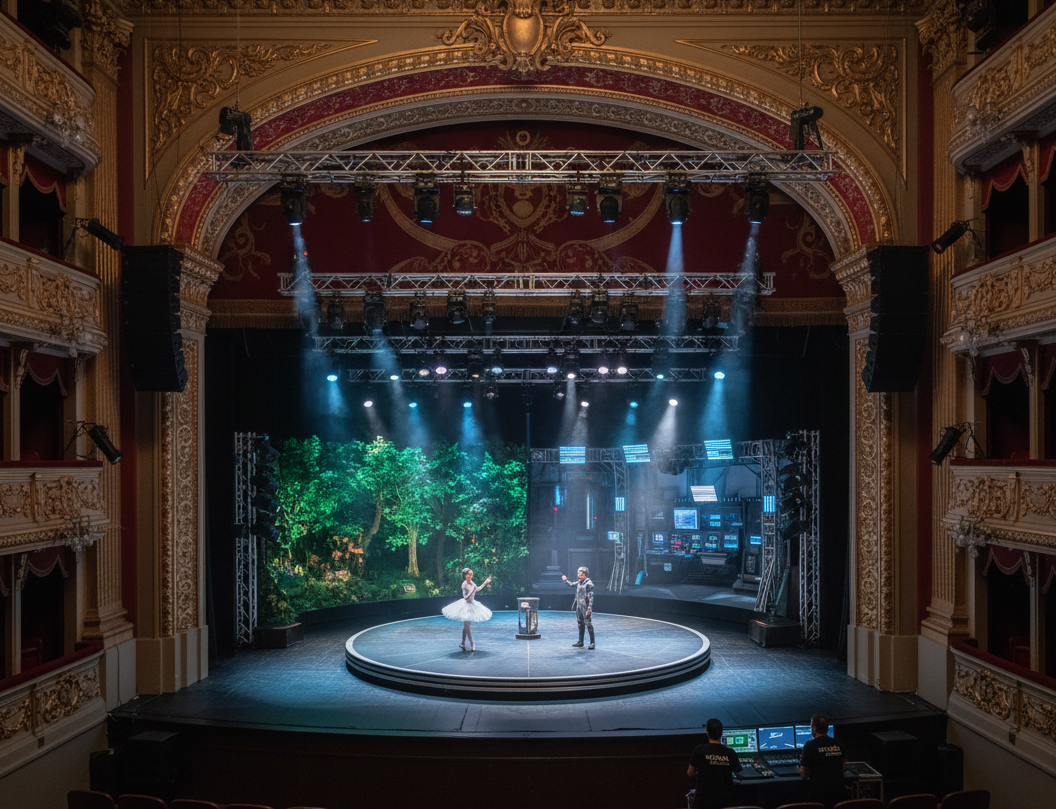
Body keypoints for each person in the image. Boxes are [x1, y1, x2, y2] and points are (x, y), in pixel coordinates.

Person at [687, 718, 742, 809]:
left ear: (707, 733)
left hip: (703, 801)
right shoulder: (730, 752)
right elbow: (738, 773)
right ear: (721, 733)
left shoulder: (699, 750)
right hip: (725, 801)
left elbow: (690, 773)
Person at [798, 713, 846, 809]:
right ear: (827, 728)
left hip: (818, 796)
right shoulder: (838, 743)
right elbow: (844, 766)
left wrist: (798, 769)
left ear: (814, 728)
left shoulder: (810, 745)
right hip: (838, 796)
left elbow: (804, 776)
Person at [441, 568, 492, 651]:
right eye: (468, 574)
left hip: (472, 605)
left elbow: (476, 589)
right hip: (466, 606)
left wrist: (485, 582)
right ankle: (472, 644)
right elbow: (465, 597)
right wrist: (472, 590)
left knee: (466, 626)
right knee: (467, 625)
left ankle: (463, 643)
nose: (470, 576)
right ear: (465, 575)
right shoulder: (464, 584)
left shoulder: (472, 583)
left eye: (471, 574)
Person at [561, 566, 595, 649]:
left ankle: (592, 642)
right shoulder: (579, 582)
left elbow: (590, 597)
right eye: (579, 574)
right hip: (579, 605)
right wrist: (566, 581)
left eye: (582, 574)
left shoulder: (589, 584)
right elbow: (571, 584)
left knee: (588, 623)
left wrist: (589, 608)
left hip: (585, 606)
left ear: (585, 575)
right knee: (580, 623)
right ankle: (580, 641)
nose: (580, 576)